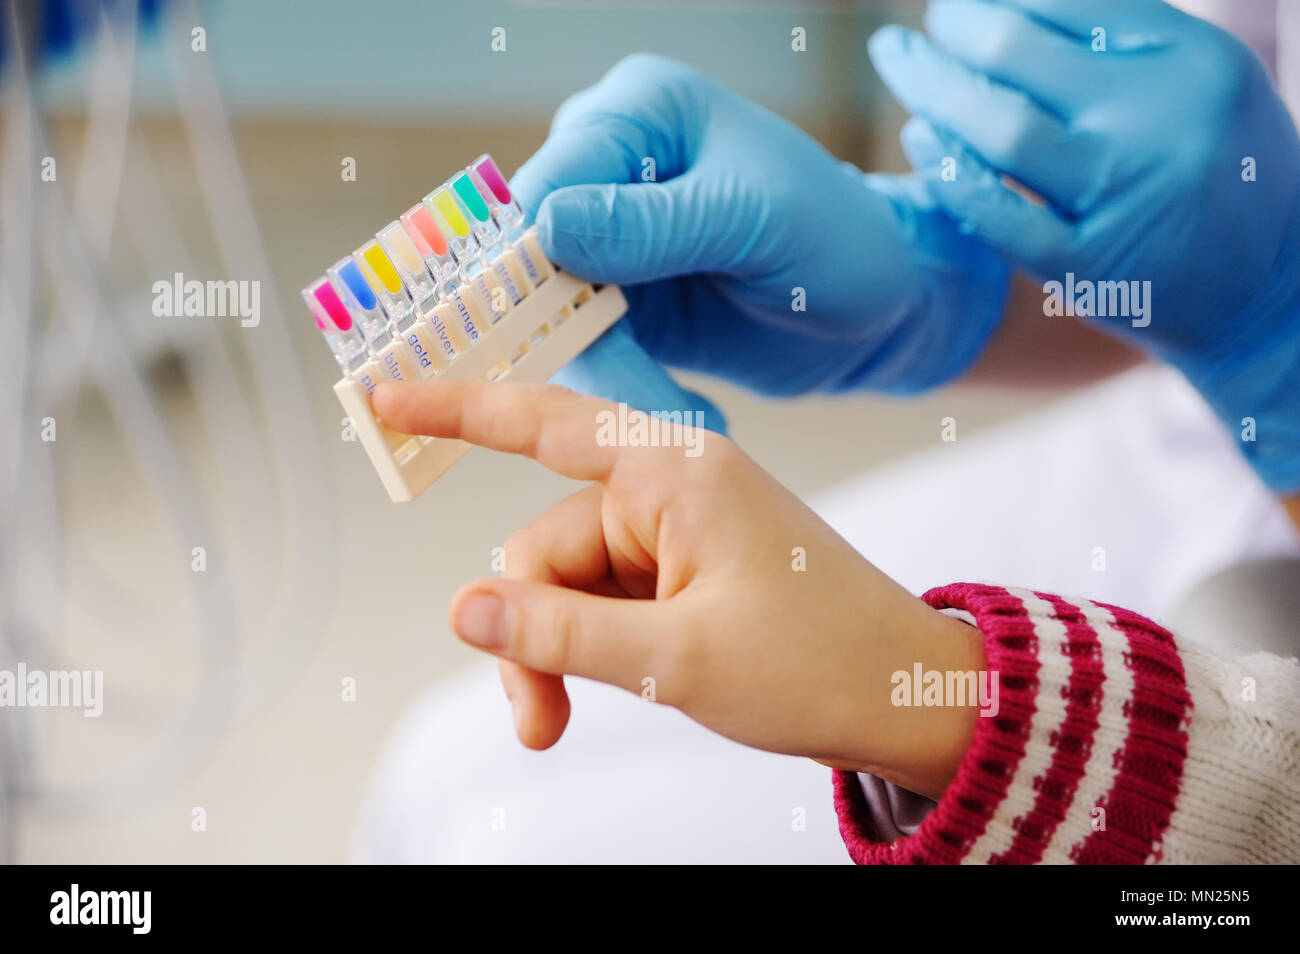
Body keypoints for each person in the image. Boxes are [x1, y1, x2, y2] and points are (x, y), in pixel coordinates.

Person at [356, 0, 1300, 863]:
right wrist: (940, 281)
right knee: (446, 775)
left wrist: (946, 705)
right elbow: (1178, 195)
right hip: (1181, 454)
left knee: (509, 842)